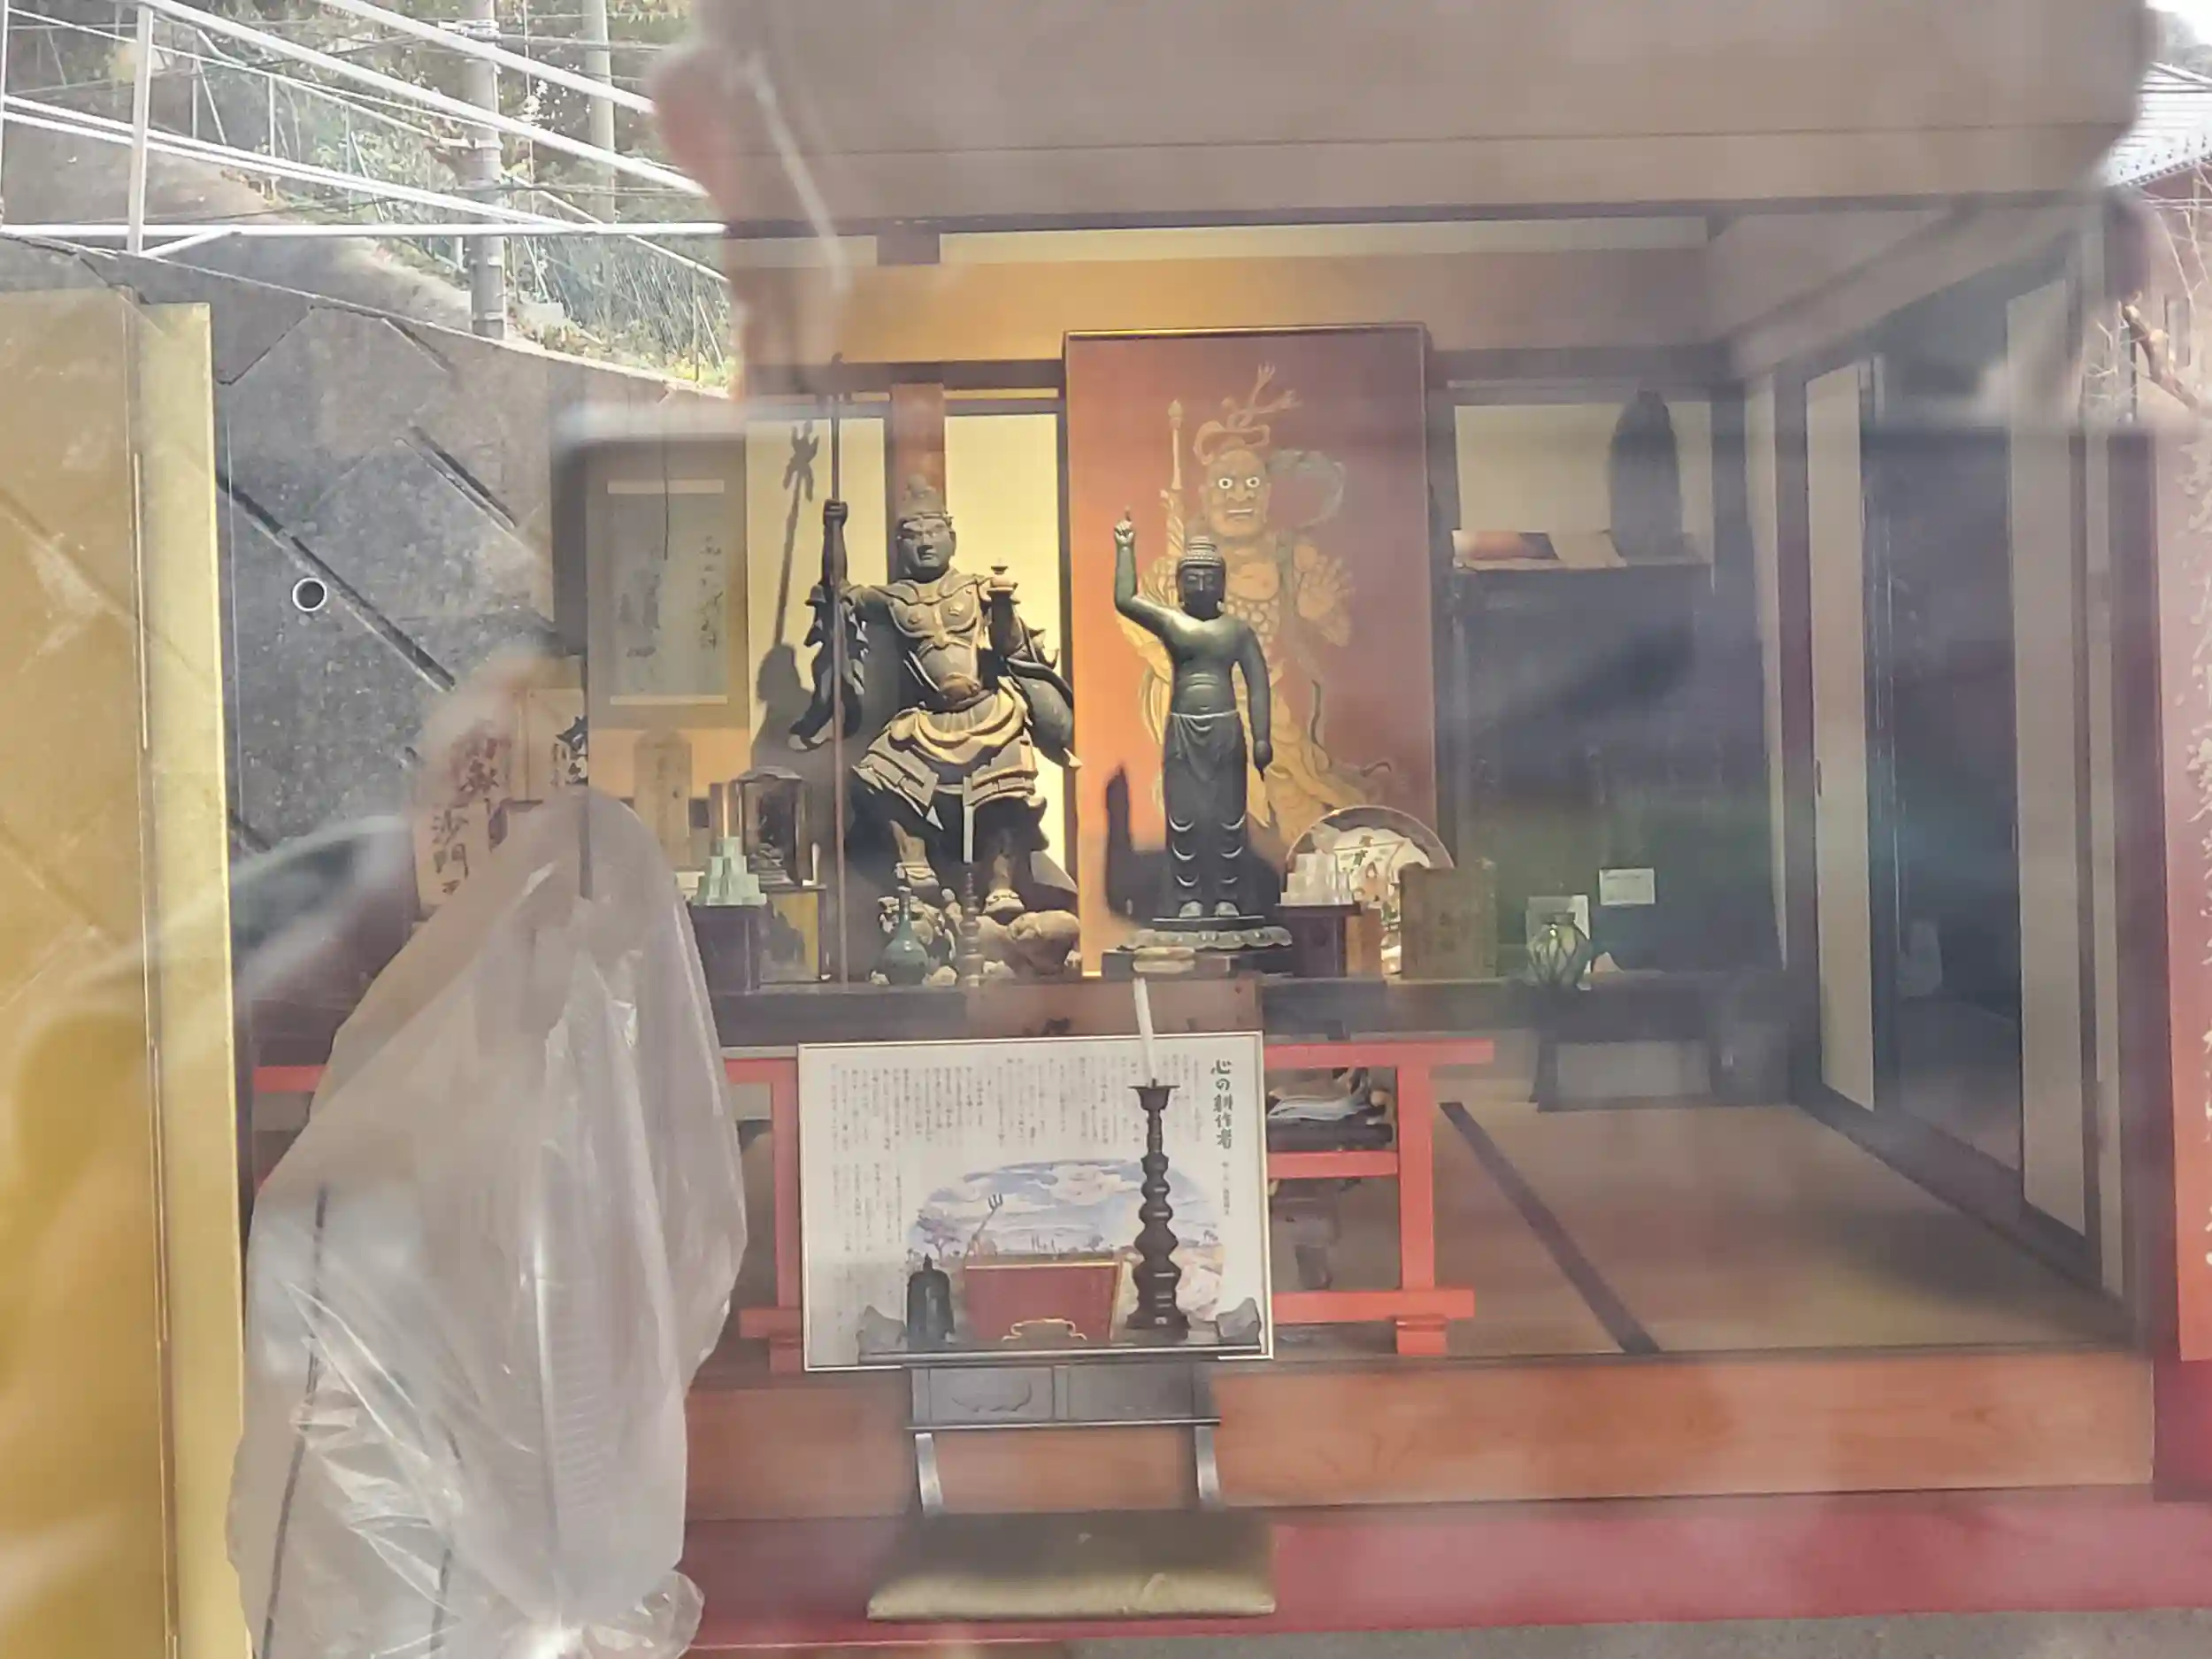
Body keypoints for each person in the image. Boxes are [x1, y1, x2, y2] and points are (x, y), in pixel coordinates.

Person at [1112, 513, 1272, 920]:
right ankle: (1188, 898)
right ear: (1179, 585)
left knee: (1227, 819)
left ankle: (1227, 896)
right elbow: (1126, 600)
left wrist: (1262, 737)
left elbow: (1258, 683)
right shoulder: (1173, 622)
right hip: (1182, 730)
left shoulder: (1236, 631)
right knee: (1184, 819)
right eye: (1193, 578)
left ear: (1222, 584)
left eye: (1209, 578)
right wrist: (1125, 549)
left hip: (1225, 729)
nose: (1201, 585)